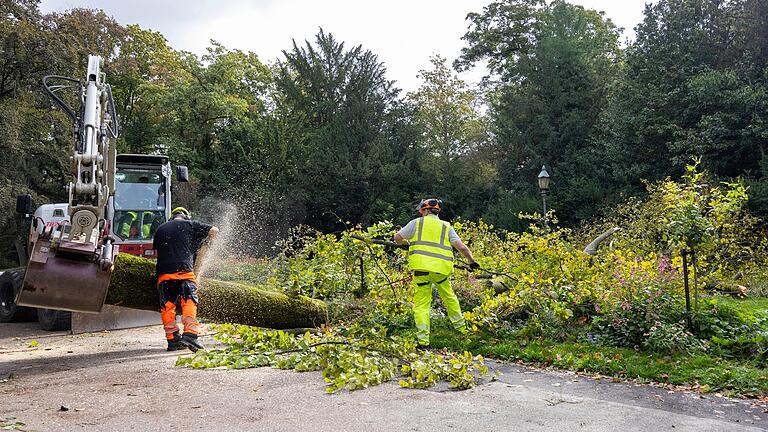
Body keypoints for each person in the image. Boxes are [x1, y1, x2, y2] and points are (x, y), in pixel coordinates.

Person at [394, 198, 479, 347]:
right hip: (441, 272)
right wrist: (472, 262)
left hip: (421, 271)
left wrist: (405, 244)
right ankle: (463, 330)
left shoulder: (416, 223)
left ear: (424, 210)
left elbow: (397, 238)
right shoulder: (446, 227)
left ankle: (423, 341)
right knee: (449, 298)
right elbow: (462, 247)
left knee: (422, 305)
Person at [152, 207, 219, 352]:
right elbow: (214, 230)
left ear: (172, 217)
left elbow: (159, 249)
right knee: (189, 301)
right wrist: (207, 241)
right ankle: (190, 334)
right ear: (186, 217)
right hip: (184, 271)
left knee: (167, 306)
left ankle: (172, 340)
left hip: (164, 274)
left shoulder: (161, 229)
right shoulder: (190, 225)